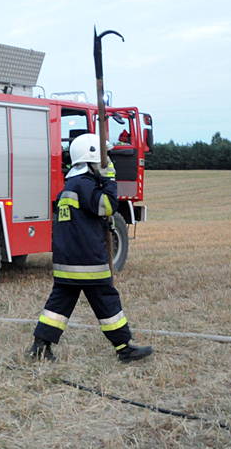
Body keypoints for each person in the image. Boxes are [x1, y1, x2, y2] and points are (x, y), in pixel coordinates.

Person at [27, 133, 152, 363]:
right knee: (107, 300)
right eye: (104, 161)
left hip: (67, 259)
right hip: (87, 260)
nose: (107, 164)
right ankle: (124, 348)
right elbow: (106, 206)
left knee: (59, 304)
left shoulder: (70, 185)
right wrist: (110, 180)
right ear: (92, 159)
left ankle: (40, 345)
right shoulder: (84, 185)